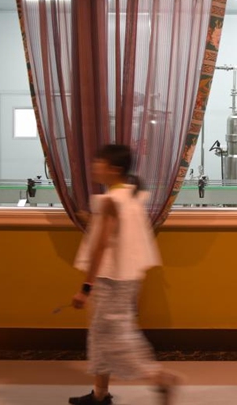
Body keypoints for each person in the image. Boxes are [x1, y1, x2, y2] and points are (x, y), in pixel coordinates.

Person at [68, 144, 179, 405]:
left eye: (100, 162)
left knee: (117, 336)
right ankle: (99, 394)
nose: (94, 166)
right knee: (102, 333)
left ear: (114, 169)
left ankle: (159, 377)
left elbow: (101, 245)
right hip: (127, 277)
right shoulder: (130, 196)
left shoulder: (111, 202)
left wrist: (85, 287)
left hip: (111, 279)